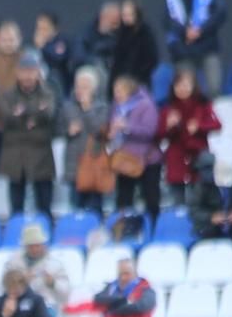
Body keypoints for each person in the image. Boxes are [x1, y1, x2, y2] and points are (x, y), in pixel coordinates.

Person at [0, 51, 59, 221]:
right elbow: (7, 116)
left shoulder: (48, 93)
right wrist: (35, 114)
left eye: (32, 71)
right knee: (16, 205)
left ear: (38, 72)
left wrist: (23, 114)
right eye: (24, 71)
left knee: (44, 203)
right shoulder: (7, 94)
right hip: (15, 153)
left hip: (41, 153)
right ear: (18, 73)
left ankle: (46, 231)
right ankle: (16, 233)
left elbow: (49, 114)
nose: (28, 76)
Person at [108, 74, 163, 235]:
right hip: (125, 160)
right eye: (115, 90)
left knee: (151, 198)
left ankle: (154, 229)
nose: (117, 93)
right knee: (124, 199)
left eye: (120, 90)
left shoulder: (146, 105)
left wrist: (127, 127)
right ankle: (124, 230)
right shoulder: (116, 107)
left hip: (147, 160)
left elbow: (150, 131)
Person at [157, 66, 220, 204]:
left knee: (199, 200)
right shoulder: (168, 108)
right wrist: (169, 126)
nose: (182, 88)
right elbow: (159, 135)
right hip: (176, 159)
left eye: (186, 84)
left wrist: (199, 127)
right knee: (178, 201)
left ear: (193, 86)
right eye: (178, 85)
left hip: (198, 159)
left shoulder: (203, 105)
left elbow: (217, 125)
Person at [165, 0, 228, 96]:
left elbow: (220, 13)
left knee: (214, 88)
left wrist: (200, 30)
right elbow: (167, 20)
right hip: (183, 49)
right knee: (186, 91)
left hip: (207, 45)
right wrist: (185, 32)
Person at [61, 66, 111, 214]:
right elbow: (58, 129)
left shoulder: (102, 107)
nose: (81, 90)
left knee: (95, 208)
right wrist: (68, 131)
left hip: (94, 164)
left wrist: (87, 109)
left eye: (85, 87)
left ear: (93, 89)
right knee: (76, 208)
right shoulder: (67, 107)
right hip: (74, 164)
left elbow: (99, 131)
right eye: (78, 86)